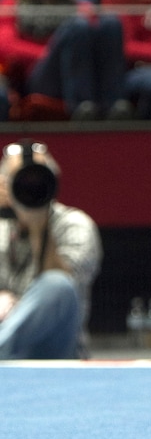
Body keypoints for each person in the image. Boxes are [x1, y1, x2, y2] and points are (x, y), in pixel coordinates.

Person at [0, 0, 131, 120]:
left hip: (86, 72)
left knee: (110, 21)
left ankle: (116, 104)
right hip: (41, 76)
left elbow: (101, 42)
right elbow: (6, 46)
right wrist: (56, 51)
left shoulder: (80, 3)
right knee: (76, 27)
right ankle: (82, 107)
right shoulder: (10, 3)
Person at [0, 139, 102, 359]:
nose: (30, 187)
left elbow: (63, 296)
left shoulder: (75, 224)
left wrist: (39, 226)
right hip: (8, 353)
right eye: (21, 180)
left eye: (38, 180)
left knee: (57, 284)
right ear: (3, 185)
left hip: (59, 354)